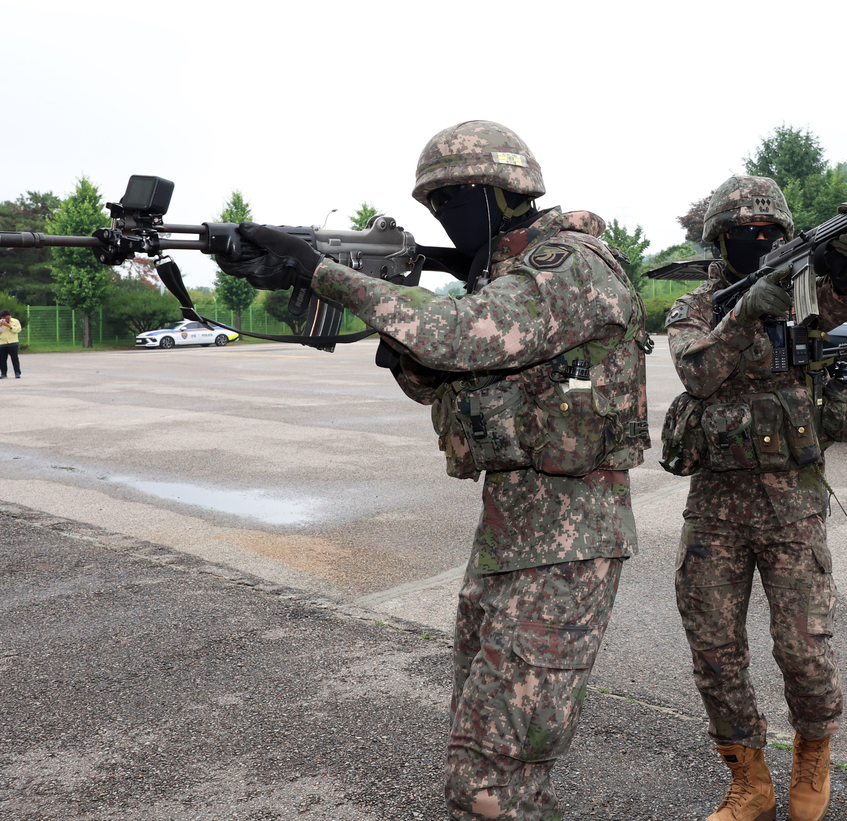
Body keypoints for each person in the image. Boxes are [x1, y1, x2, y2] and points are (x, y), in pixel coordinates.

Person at [216, 120, 650, 820]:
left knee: (489, 780)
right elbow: (444, 375)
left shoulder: (570, 267)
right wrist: (391, 331)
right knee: (485, 754)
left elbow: (457, 333)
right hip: (512, 538)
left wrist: (317, 267)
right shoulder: (503, 279)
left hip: (569, 548)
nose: (439, 217)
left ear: (495, 192)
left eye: (449, 201)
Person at [662, 174, 847, 821]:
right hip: (715, 507)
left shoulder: (802, 293)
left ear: (784, 237)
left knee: (803, 647)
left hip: (792, 503)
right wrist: (747, 308)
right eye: (741, 235)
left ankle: (813, 748)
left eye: (767, 234)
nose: (756, 243)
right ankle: (748, 779)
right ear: (718, 242)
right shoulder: (696, 306)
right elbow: (695, 369)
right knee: (714, 647)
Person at [0, 311, 22, 378]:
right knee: (2, 359)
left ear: (9, 316)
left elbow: (18, 330)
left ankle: (17, 372)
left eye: (7, 318)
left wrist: (9, 326)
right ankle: (3, 373)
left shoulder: (15, 321)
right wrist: (0, 325)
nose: (5, 319)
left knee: (14, 358)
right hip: (2, 343)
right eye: (4, 318)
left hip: (13, 342)